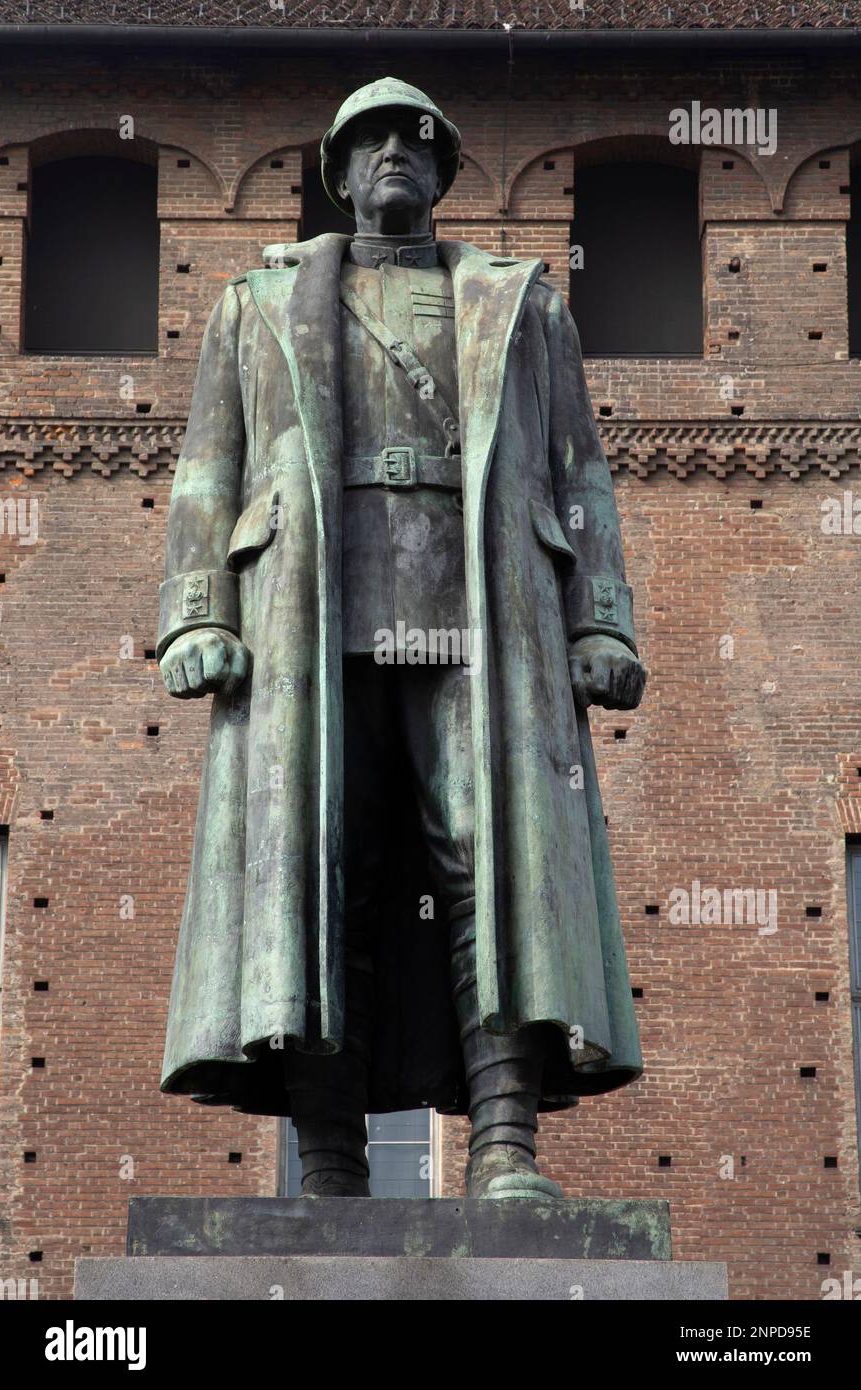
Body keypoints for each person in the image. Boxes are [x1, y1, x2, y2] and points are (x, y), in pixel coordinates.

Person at [156, 78, 647, 1199]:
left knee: (489, 861)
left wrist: (599, 620)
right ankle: (328, 1157)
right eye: (369, 140)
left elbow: (580, 475)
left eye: (414, 141)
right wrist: (196, 610)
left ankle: (504, 1142)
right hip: (309, 612)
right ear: (338, 172)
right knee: (325, 862)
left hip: (481, 609)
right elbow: (204, 474)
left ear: (442, 172)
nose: (393, 153)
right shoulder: (256, 303)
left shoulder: (519, 305)